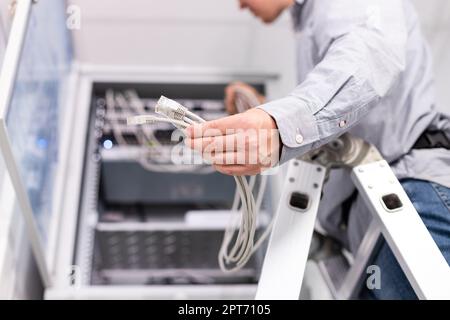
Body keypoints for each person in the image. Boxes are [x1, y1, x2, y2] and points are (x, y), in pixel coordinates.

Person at [185, 0, 450, 299]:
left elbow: (368, 53)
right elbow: (345, 111)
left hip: (411, 198)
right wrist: (266, 112)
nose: (241, 5)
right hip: (372, 226)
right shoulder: (311, 22)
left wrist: (278, 126)